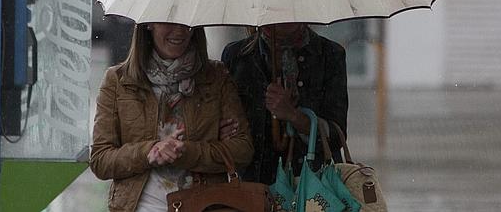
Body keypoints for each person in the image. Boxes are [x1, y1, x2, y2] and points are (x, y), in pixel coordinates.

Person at [90, 23, 254, 212]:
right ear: (149, 25)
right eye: (169, 22)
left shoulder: (216, 77)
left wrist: (188, 152)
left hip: (205, 204)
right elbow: (100, 160)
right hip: (140, 207)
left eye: (186, 24)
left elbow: (242, 151)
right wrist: (148, 152)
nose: (179, 31)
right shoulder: (118, 81)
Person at [220, 23, 348, 185]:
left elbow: (337, 135)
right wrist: (224, 131)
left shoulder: (330, 54)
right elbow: (225, 122)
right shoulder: (236, 56)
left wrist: (294, 116)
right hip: (253, 185)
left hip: (313, 187)